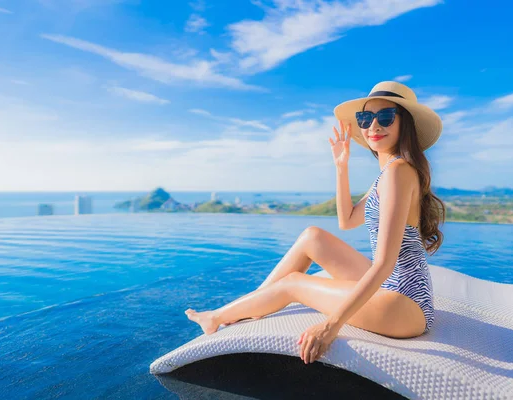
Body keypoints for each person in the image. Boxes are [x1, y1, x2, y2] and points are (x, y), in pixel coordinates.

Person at [185, 81, 446, 365]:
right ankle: (256, 303)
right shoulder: (388, 173)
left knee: (293, 284)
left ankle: (218, 317)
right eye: (365, 118)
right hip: (398, 293)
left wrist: (330, 326)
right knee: (312, 237)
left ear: (404, 123)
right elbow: (346, 221)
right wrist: (341, 166)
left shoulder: (398, 172)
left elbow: (384, 264)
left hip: (404, 305)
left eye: (385, 117)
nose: (373, 125)